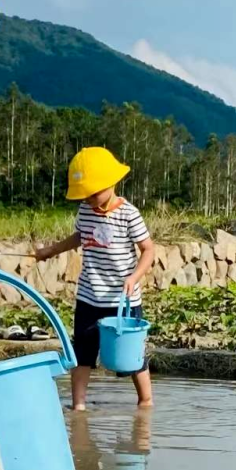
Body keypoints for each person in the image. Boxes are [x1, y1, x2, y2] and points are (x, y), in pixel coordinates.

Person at [34, 147, 155, 411]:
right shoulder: (85, 210)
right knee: (83, 353)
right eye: (84, 195)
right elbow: (79, 237)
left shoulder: (129, 214)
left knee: (132, 355)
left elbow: (148, 249)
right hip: (89, 296)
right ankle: (78, 406)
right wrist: (50, 251)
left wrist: (135, 276)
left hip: (123, 299)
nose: (89, 199)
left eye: (94, 192)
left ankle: (145, 401)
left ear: (111, 183)